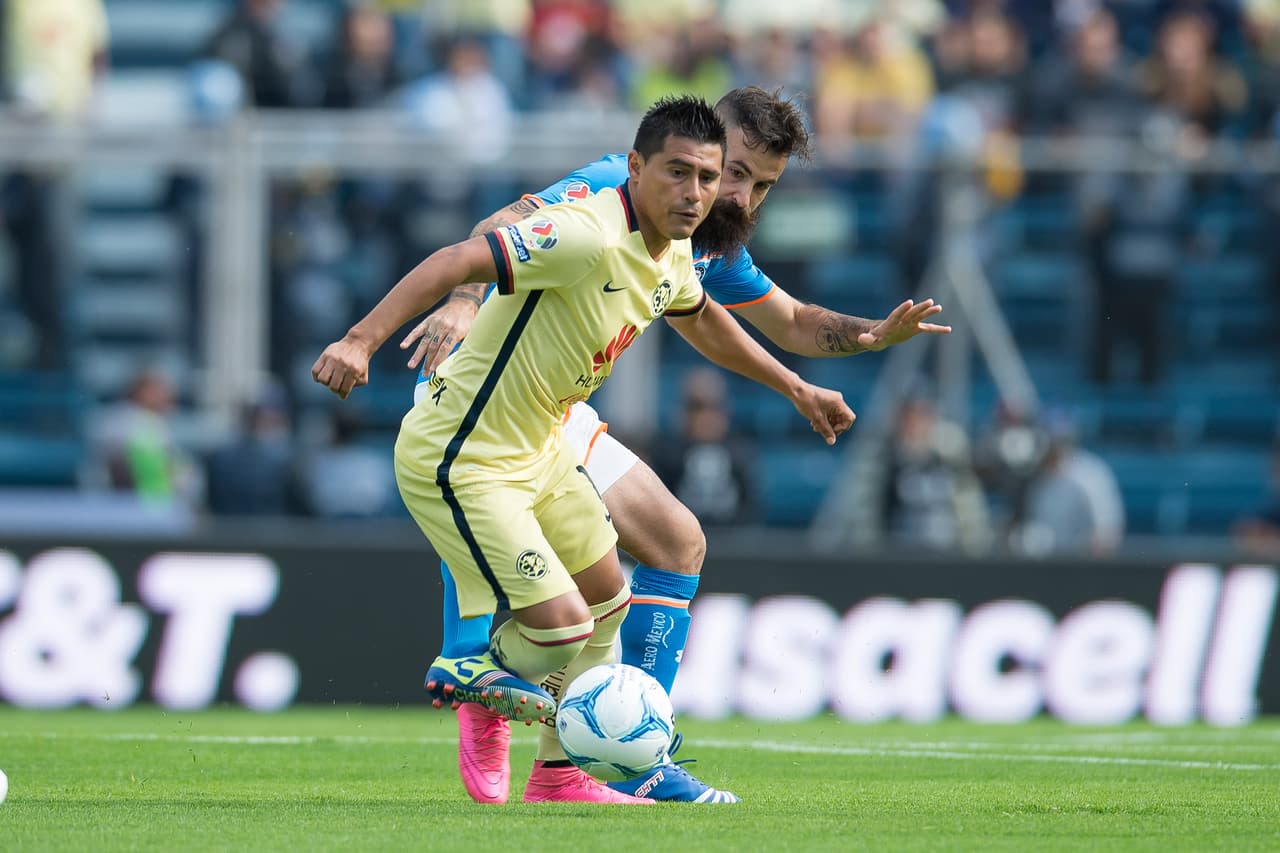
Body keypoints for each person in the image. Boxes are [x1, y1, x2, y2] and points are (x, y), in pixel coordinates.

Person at [404, 86, 950, 804]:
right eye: (740, 172)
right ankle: (487, 682)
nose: (744, 198)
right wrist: (462, 299)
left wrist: (862, 342)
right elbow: (506, 221)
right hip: (486, 392)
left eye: (762, 186)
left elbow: (783, 319)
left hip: (556, 410)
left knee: (675, 541)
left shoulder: (703, 234)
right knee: (523, 539)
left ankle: (600, 757)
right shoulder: (622, 186)